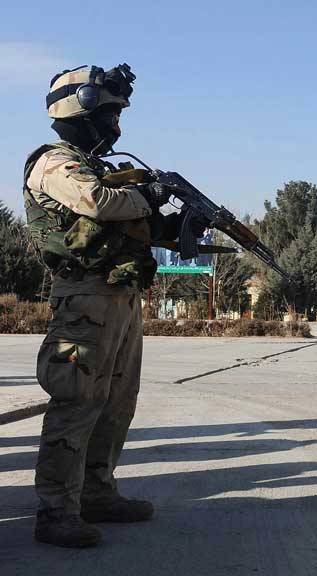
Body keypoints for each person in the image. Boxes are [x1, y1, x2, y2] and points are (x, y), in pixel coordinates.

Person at [25, 64, 177, 547]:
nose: (117, 127)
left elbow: (125, 217)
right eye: (111, 114)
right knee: (75, 402)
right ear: (82, 110)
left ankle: (96, 492)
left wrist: (172, 225)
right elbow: (97, 203)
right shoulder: (54, 163)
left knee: (116, 404)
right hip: (83, 305)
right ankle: (55, 510)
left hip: (120, 299)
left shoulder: (103, 169)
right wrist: (147, 195)